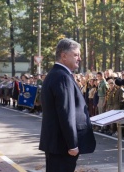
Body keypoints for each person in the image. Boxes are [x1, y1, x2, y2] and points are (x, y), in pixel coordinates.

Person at [39, 38, 96, 172]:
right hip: (63, 146)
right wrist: (72, 144)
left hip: (58, 144)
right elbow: (67, 113)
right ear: (64, 56)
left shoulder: (56, 74)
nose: (79, 58)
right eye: (75, 54)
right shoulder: (62, 77)